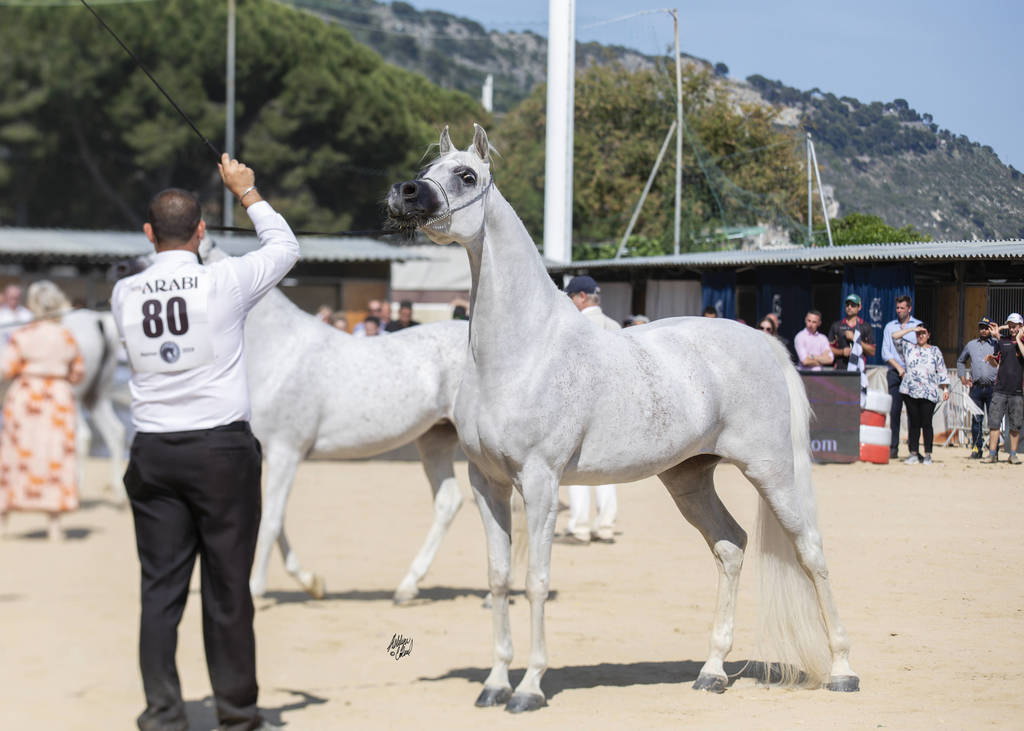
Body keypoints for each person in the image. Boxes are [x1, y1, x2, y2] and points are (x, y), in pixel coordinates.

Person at [112, 154, 298, 731]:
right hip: (220, 451)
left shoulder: (123, 293)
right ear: (200, 232)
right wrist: (247, 191)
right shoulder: (225, 279)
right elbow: (284, 246)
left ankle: (163, 713)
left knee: (160, 591)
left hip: (153, 451)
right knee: (228, 588)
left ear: (149, 234)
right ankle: (236, 714)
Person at [0, 281, 84, 541]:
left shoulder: (23, 334)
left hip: (26, 396)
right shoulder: (66, 336)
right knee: (56, 455)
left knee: (13, 454)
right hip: (58, 399)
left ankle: (3, 517)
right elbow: (78, 373)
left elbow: (6, 369)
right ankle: (54, 524)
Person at [559, 275, 619, 545]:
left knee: (577, 469)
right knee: (607, 471)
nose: (570, 303)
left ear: (582, 297)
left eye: (571, 297)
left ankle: (579, 527)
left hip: (579, 410)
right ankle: (606, 526)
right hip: (612, 408)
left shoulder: (572, 326)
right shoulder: (615, 326)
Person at [890, 322, 950, 464]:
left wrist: (945, 388)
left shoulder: (935, 350)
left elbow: (942, 369)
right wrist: (912, 329)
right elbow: (894, 336)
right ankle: (914, 453)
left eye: (924, 333)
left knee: (927, 423)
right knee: (914, 423)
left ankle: (928, 454)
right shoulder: (909, 347)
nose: (921, 336)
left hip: (929, 391)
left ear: (928, 335)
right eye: (918, 333)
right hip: (910, 390)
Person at [881, 295, 923, 459]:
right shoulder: (889, 327)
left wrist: (911, 369)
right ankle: (893, 448)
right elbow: (885, 352)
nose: (899, 310)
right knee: (894, 411)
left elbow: (921, 349)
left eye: (902, 308)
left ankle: (913, 449)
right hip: (895, 372)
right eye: (897, 308)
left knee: (914, 412)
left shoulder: (918, 325)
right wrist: (898, 368)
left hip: (912, 373)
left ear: (909, 308)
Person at [982, 313, 1024, 464]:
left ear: (1021, 326)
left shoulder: (1022, 342)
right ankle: (992, 454)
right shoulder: (1002, 341)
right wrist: (991, 360)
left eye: (1015, 326)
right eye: (1010, 326)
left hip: (1017, 391)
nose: (1012, 329)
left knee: (1015, 425)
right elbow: (997, 362)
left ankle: (1013, 454)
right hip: (1000, 389)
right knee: (994, 423)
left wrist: (1018, 338)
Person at [957, 316, 998, 458]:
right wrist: (962, 377)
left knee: (994, 420)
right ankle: (976, 449)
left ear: (990, 329)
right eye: (982, 327)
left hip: (993, 388)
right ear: (979, 329)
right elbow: (961, 361)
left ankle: (994, 451)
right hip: (976, 388)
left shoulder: (996, 344)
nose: (984, 330)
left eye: (986, 328)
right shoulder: (971, 345)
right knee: (976, 420)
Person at [828, 293, 877, 406]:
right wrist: (841, 352)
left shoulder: (865, 327)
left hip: (858, 372)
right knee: (839, 403)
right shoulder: (837, 326)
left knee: (856, 404)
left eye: (853, 305)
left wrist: (856, 339)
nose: (849, 307)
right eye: (847, 305)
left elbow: (872, 351)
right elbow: (828, 349)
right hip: (840, 370)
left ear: (859, 307)